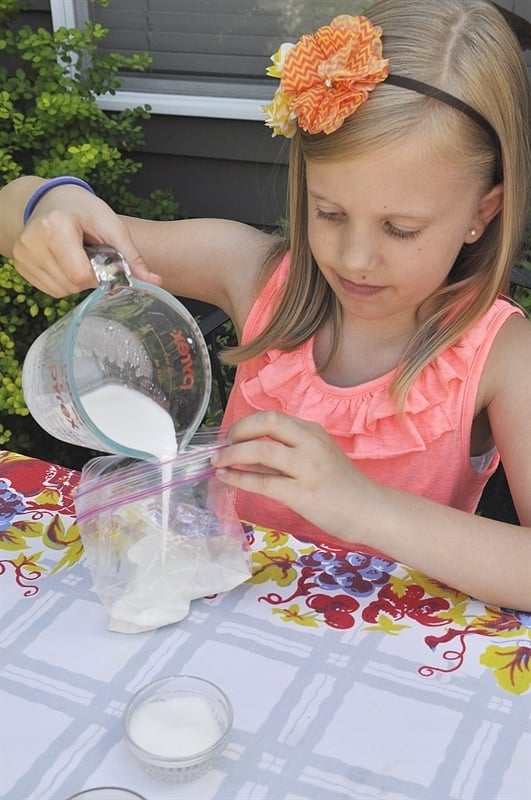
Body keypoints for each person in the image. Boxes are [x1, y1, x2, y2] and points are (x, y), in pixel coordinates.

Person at [0, 0, 529, 610]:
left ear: (481, 214)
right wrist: (49, 208)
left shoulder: (503, 359)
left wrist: (365, 506)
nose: (355, 258)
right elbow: (14, 210)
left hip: (388, 657)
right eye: (329, 213)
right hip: (219, 625)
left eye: (401, 229)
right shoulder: (252, 274)